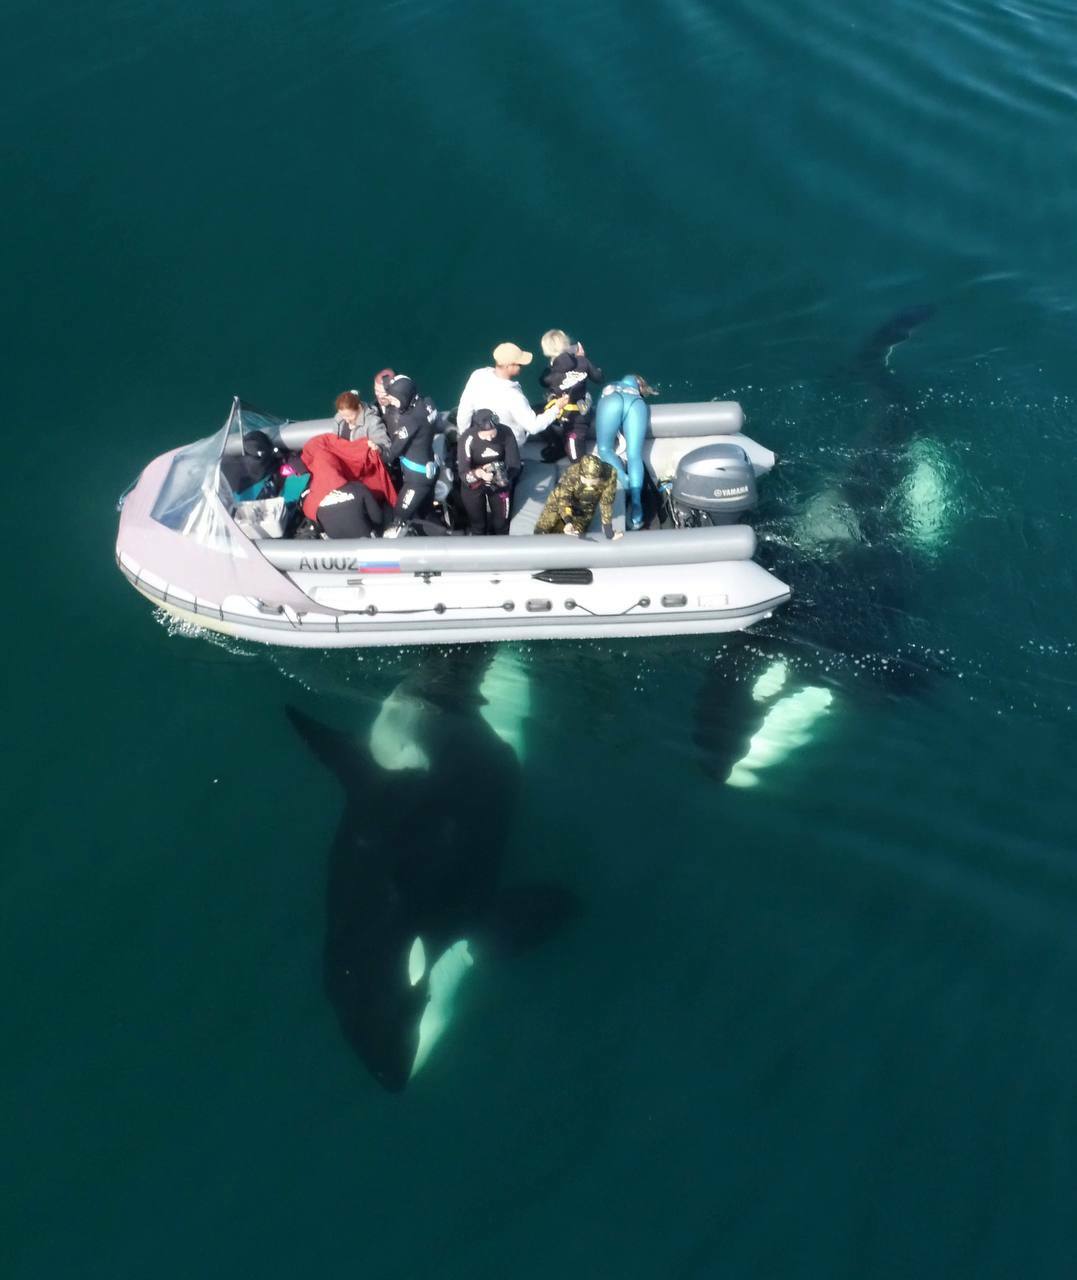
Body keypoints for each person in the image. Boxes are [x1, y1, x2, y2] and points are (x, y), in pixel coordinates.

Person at [456, 342, 569, 445]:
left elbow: (464, 411)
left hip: (483, 436)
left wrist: (466, 438)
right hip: (511, 443)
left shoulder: (478, 375)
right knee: (541, 410)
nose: (522, 366)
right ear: (507, 366)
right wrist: (557, 407)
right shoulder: (514, 397)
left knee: (535, 411)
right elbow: (533, 427)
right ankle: (558, 444)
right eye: (519, 364)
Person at [300, 434, 397, 538]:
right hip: (367, 544)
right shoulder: (359, 489)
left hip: (339, 552)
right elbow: (378, 519)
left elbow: (319, 529)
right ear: (337, 465)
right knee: (387, 509)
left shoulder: (309, 504)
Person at [595, 373, 657, 531]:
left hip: (611, 400)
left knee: (605, 449)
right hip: (635, 405)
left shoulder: (611, 385)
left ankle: (624, 479)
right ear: (639, 384)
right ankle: (636, 506)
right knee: (635, 456)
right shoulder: (637, 394)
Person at [383, 373, 441, 534]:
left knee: (400, 515)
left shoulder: (410, 420)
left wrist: (374, 450)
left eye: (395, 399)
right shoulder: (428, 403)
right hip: (430, 468)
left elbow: (391, 453)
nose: (392, 402)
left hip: (416, 480)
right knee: (425, 510)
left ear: (404, 396)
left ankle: (441, 538)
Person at [538, 330, 605, 461]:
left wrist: (552, 364)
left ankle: (556, 443)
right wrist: (581, 357)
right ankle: (560, 444)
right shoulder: (583, 362)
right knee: (575, 458)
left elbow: (542, 382)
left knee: (577, 460)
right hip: (580, 417)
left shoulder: (549, 374)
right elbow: (599, 378)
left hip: (565, 416)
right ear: (566, 344)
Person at [457, 408, 522, 535]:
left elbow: (514, 464)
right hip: (475, 480)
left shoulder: (506, 433)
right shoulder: (467, 438)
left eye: (493, 434)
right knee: (478, 525)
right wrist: (480, 473)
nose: (490, 439)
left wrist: (501, 473)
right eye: (486, 436)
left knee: (501, 525)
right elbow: (463, 474)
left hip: (499, 477)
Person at [534, 453, 622, 539]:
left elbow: (606, 502)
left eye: (593, 481)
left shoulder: (610, 474)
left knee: (574, 535)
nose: (589, 485)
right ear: (580, 475)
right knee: (542, 529)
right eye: (586, 480)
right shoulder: (572, 473)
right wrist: (568, 521)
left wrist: (608, 531)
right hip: (559, 501)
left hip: (585, 507)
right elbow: (564, 500)